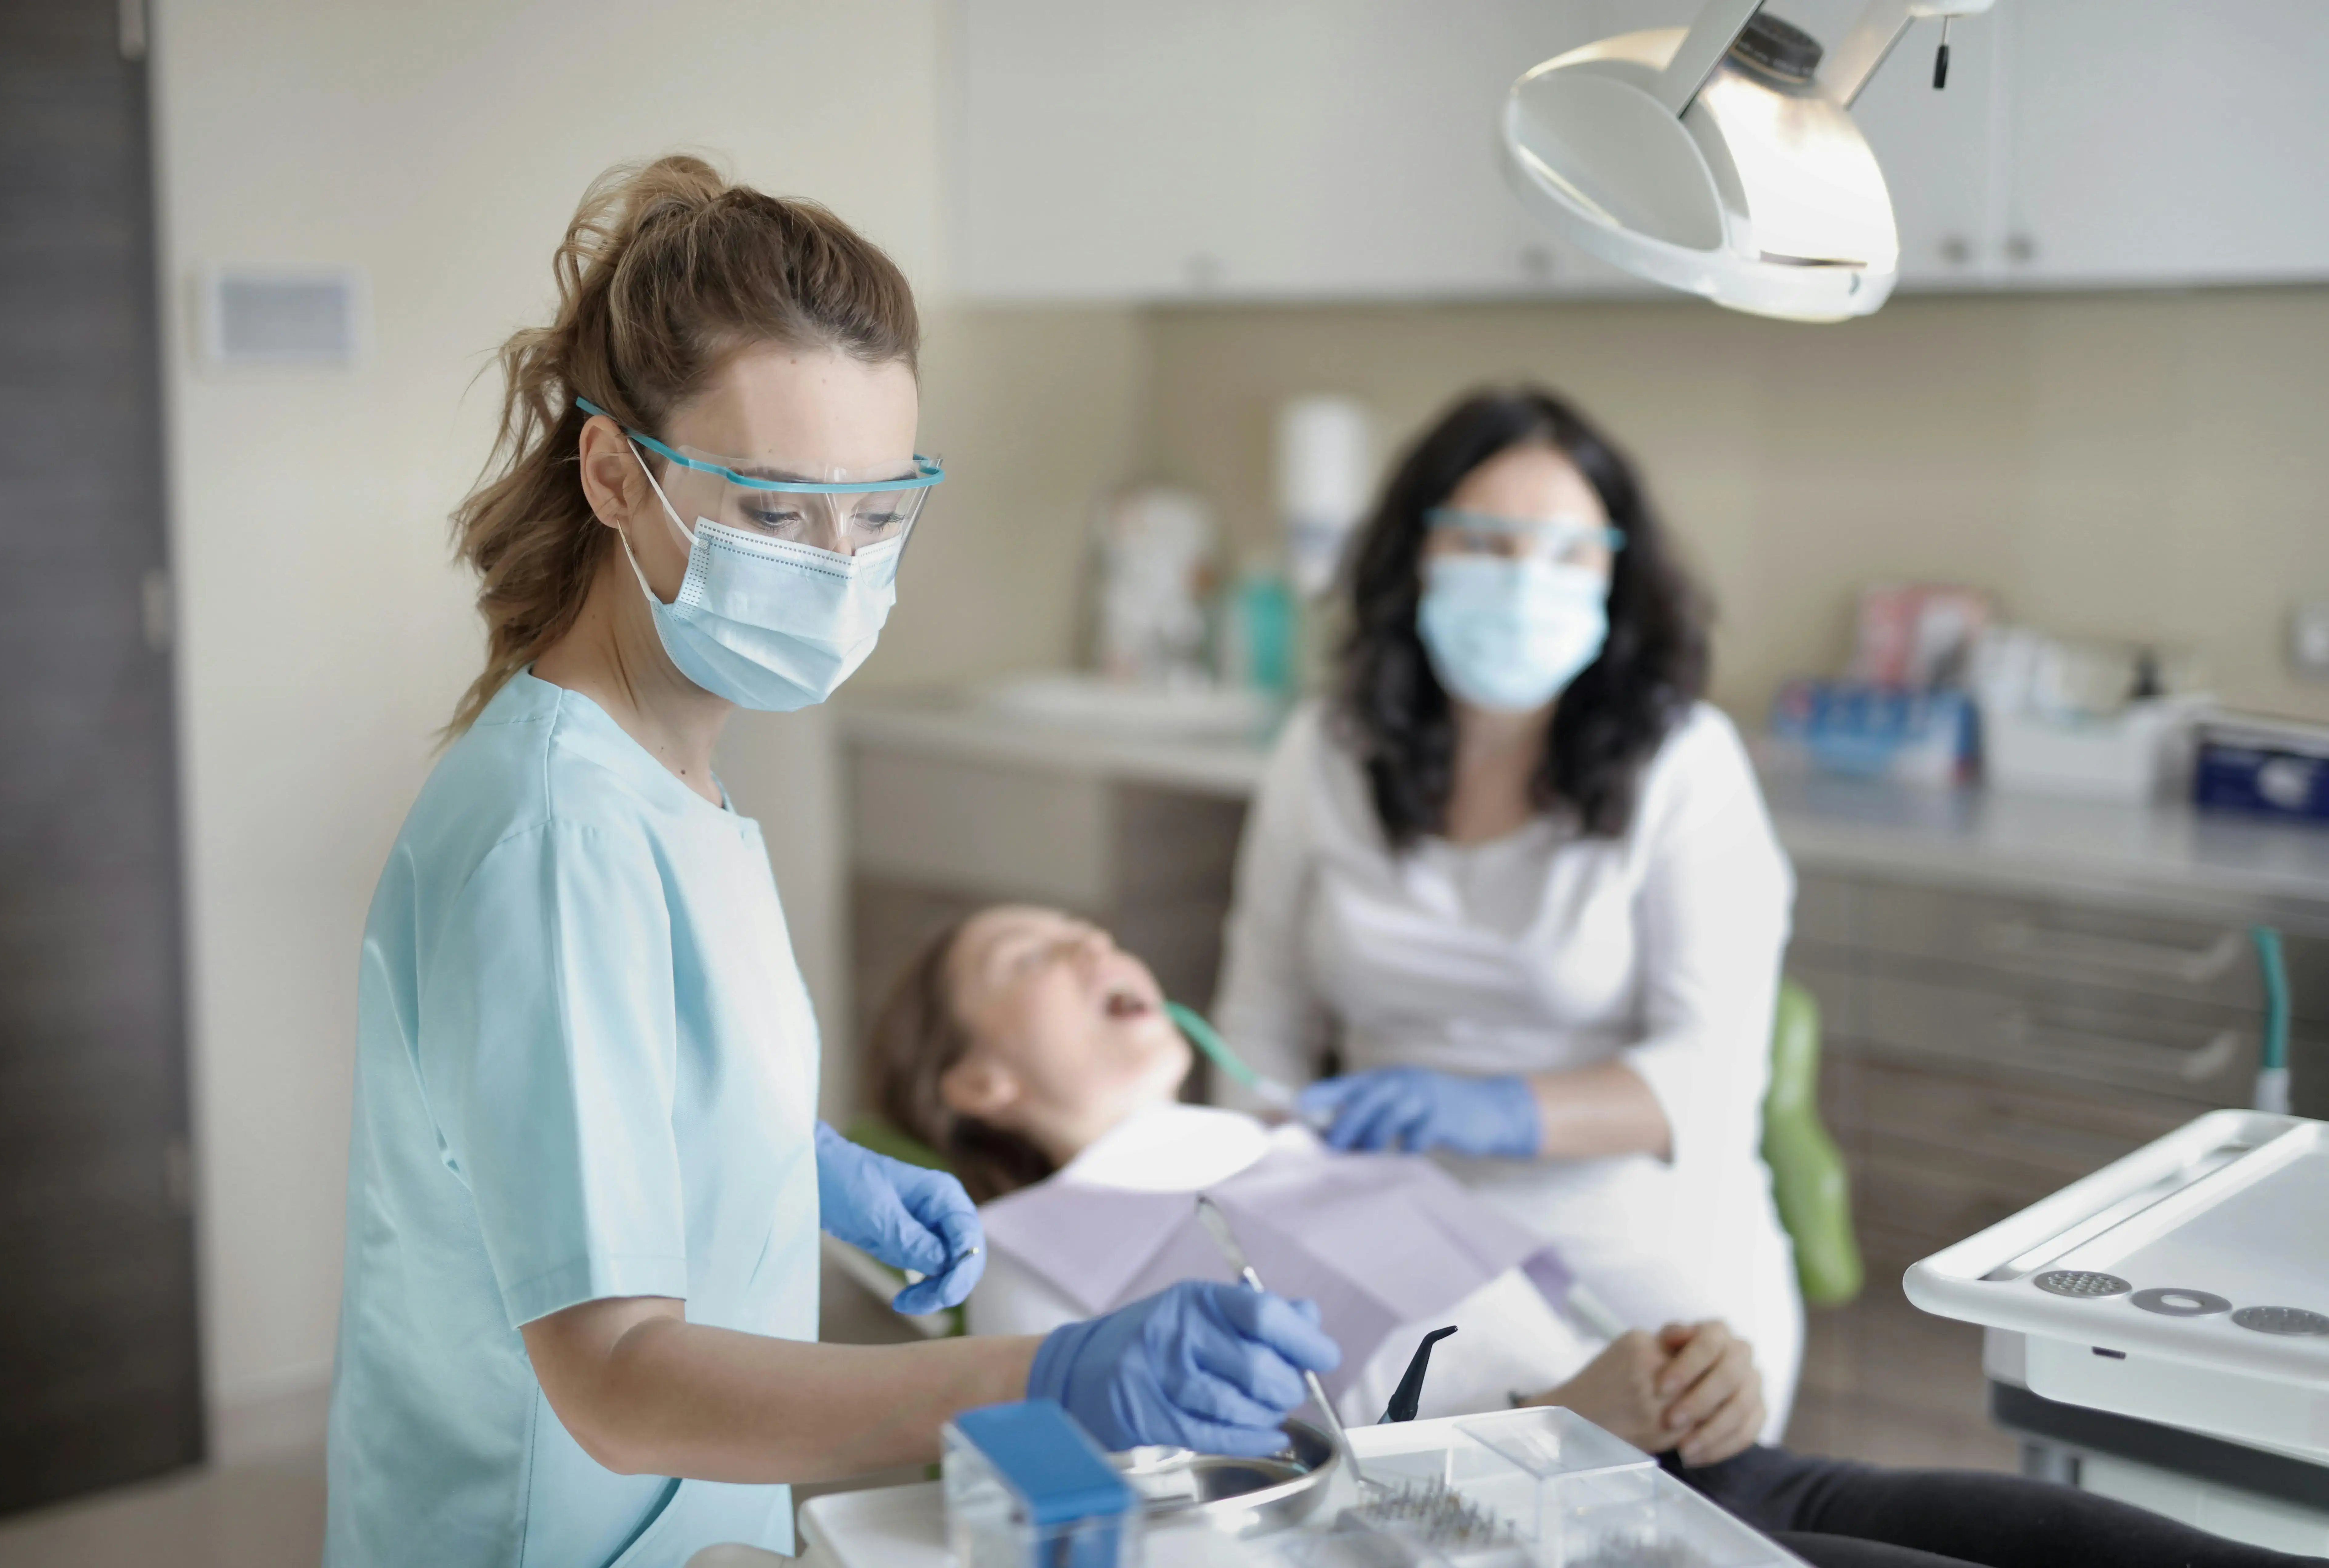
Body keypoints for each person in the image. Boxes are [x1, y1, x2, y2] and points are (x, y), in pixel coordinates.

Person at [322, 157, 1336, 1568]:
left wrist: (786, 1161)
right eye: (776, 511)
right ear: (614, 474)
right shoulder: (561, 833)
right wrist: (1044, 1376)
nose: (839, 564)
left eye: (877, 511)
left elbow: (585, 1090)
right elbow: (616, 1376)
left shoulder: (669, 773)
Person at [865, 903, 2323, 1568]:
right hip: (1536, 1540)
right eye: (1028, 955)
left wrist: (1694, 1369)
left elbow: (1552, 1334)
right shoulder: (1032, 1251)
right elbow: (1197, 1536)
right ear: (974, 1084)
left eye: (1092, 930)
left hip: (1721, 1464)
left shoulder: (1302, 1145)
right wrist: (1554, 1426)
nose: (1094, 944)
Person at [1211, 386, 1809, 1432]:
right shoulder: (1327, 752)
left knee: (1669, 1461)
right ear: (1417, 554)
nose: (1526, 579)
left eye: (1567, 551)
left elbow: (1710, 1076)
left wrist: (1496, 1111)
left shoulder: (1688, 764)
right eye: (1486, 543)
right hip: (1384, 1217)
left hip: (1629, 1222)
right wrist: (1266, 1188)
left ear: (1617, 573)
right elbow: (1258, 1023)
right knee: (1381, 1475)